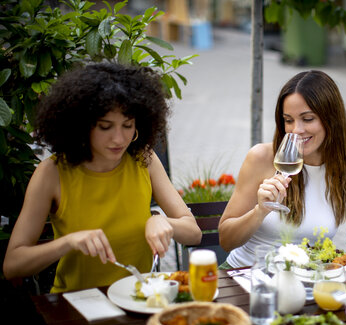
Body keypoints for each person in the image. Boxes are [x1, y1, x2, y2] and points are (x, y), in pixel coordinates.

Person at [3, 62, 202, 293]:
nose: (118, 139)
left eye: (127, 125)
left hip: (139, 299)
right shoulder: (52, 173)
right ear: (82, 125)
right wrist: (68, 242)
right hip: (77, 306)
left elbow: (194, 233)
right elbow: (13, 265)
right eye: (105, 127)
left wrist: (161, 219)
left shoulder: (144, 159)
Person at [218, 70, 346, 268]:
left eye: (308, 119)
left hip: (309, 281)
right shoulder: (261, 157)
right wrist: (259, 211)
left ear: (331, 118)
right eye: (288, 120)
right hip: (246, 276)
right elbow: (226, 240)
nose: (296, 130)